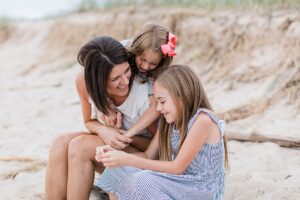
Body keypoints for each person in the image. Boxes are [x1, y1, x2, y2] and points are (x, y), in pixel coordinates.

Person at [45, 22, 177, 200]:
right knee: (60, 142)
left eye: (126, 72)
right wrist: (104, 130)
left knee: (80, 146)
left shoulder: (146, 91)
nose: (124, 81)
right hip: (124, 144)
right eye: (115, 78)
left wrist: (122, 134)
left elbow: (161, 146)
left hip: (149, 157)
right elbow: (89, 122)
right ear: (98, 80)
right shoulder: (84, 82)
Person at [95, 65, 229, 200]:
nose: (159, 108)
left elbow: (177, 168)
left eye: (162, 101)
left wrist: (127, 159)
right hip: (181, 184)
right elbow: (148, 156)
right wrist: (116, 157)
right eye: (157, 102)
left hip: (203, 189)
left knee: (145, 180)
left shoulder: (202, 120)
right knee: (115, 170)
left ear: (181, 96)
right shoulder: (170, 122)